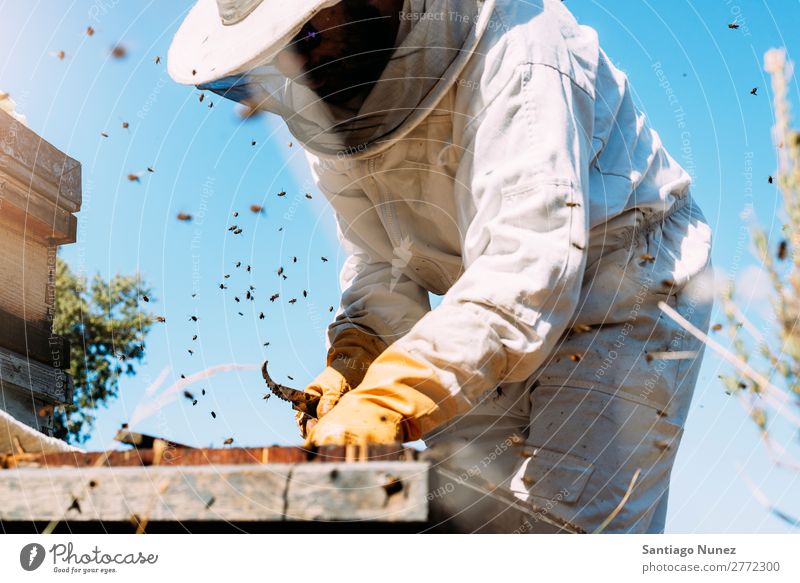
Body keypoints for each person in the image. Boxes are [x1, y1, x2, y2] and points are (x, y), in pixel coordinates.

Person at [168, 0, 715, 533]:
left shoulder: (520, 47)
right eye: (271, 64)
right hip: (478, 303)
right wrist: (357, 354)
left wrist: (391, 398)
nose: (296, 75)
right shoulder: (330, 95)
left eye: (304, 41)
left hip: (620, 280)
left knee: (564, 528)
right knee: (469, 518)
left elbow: (530, 269)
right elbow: (382, 256)